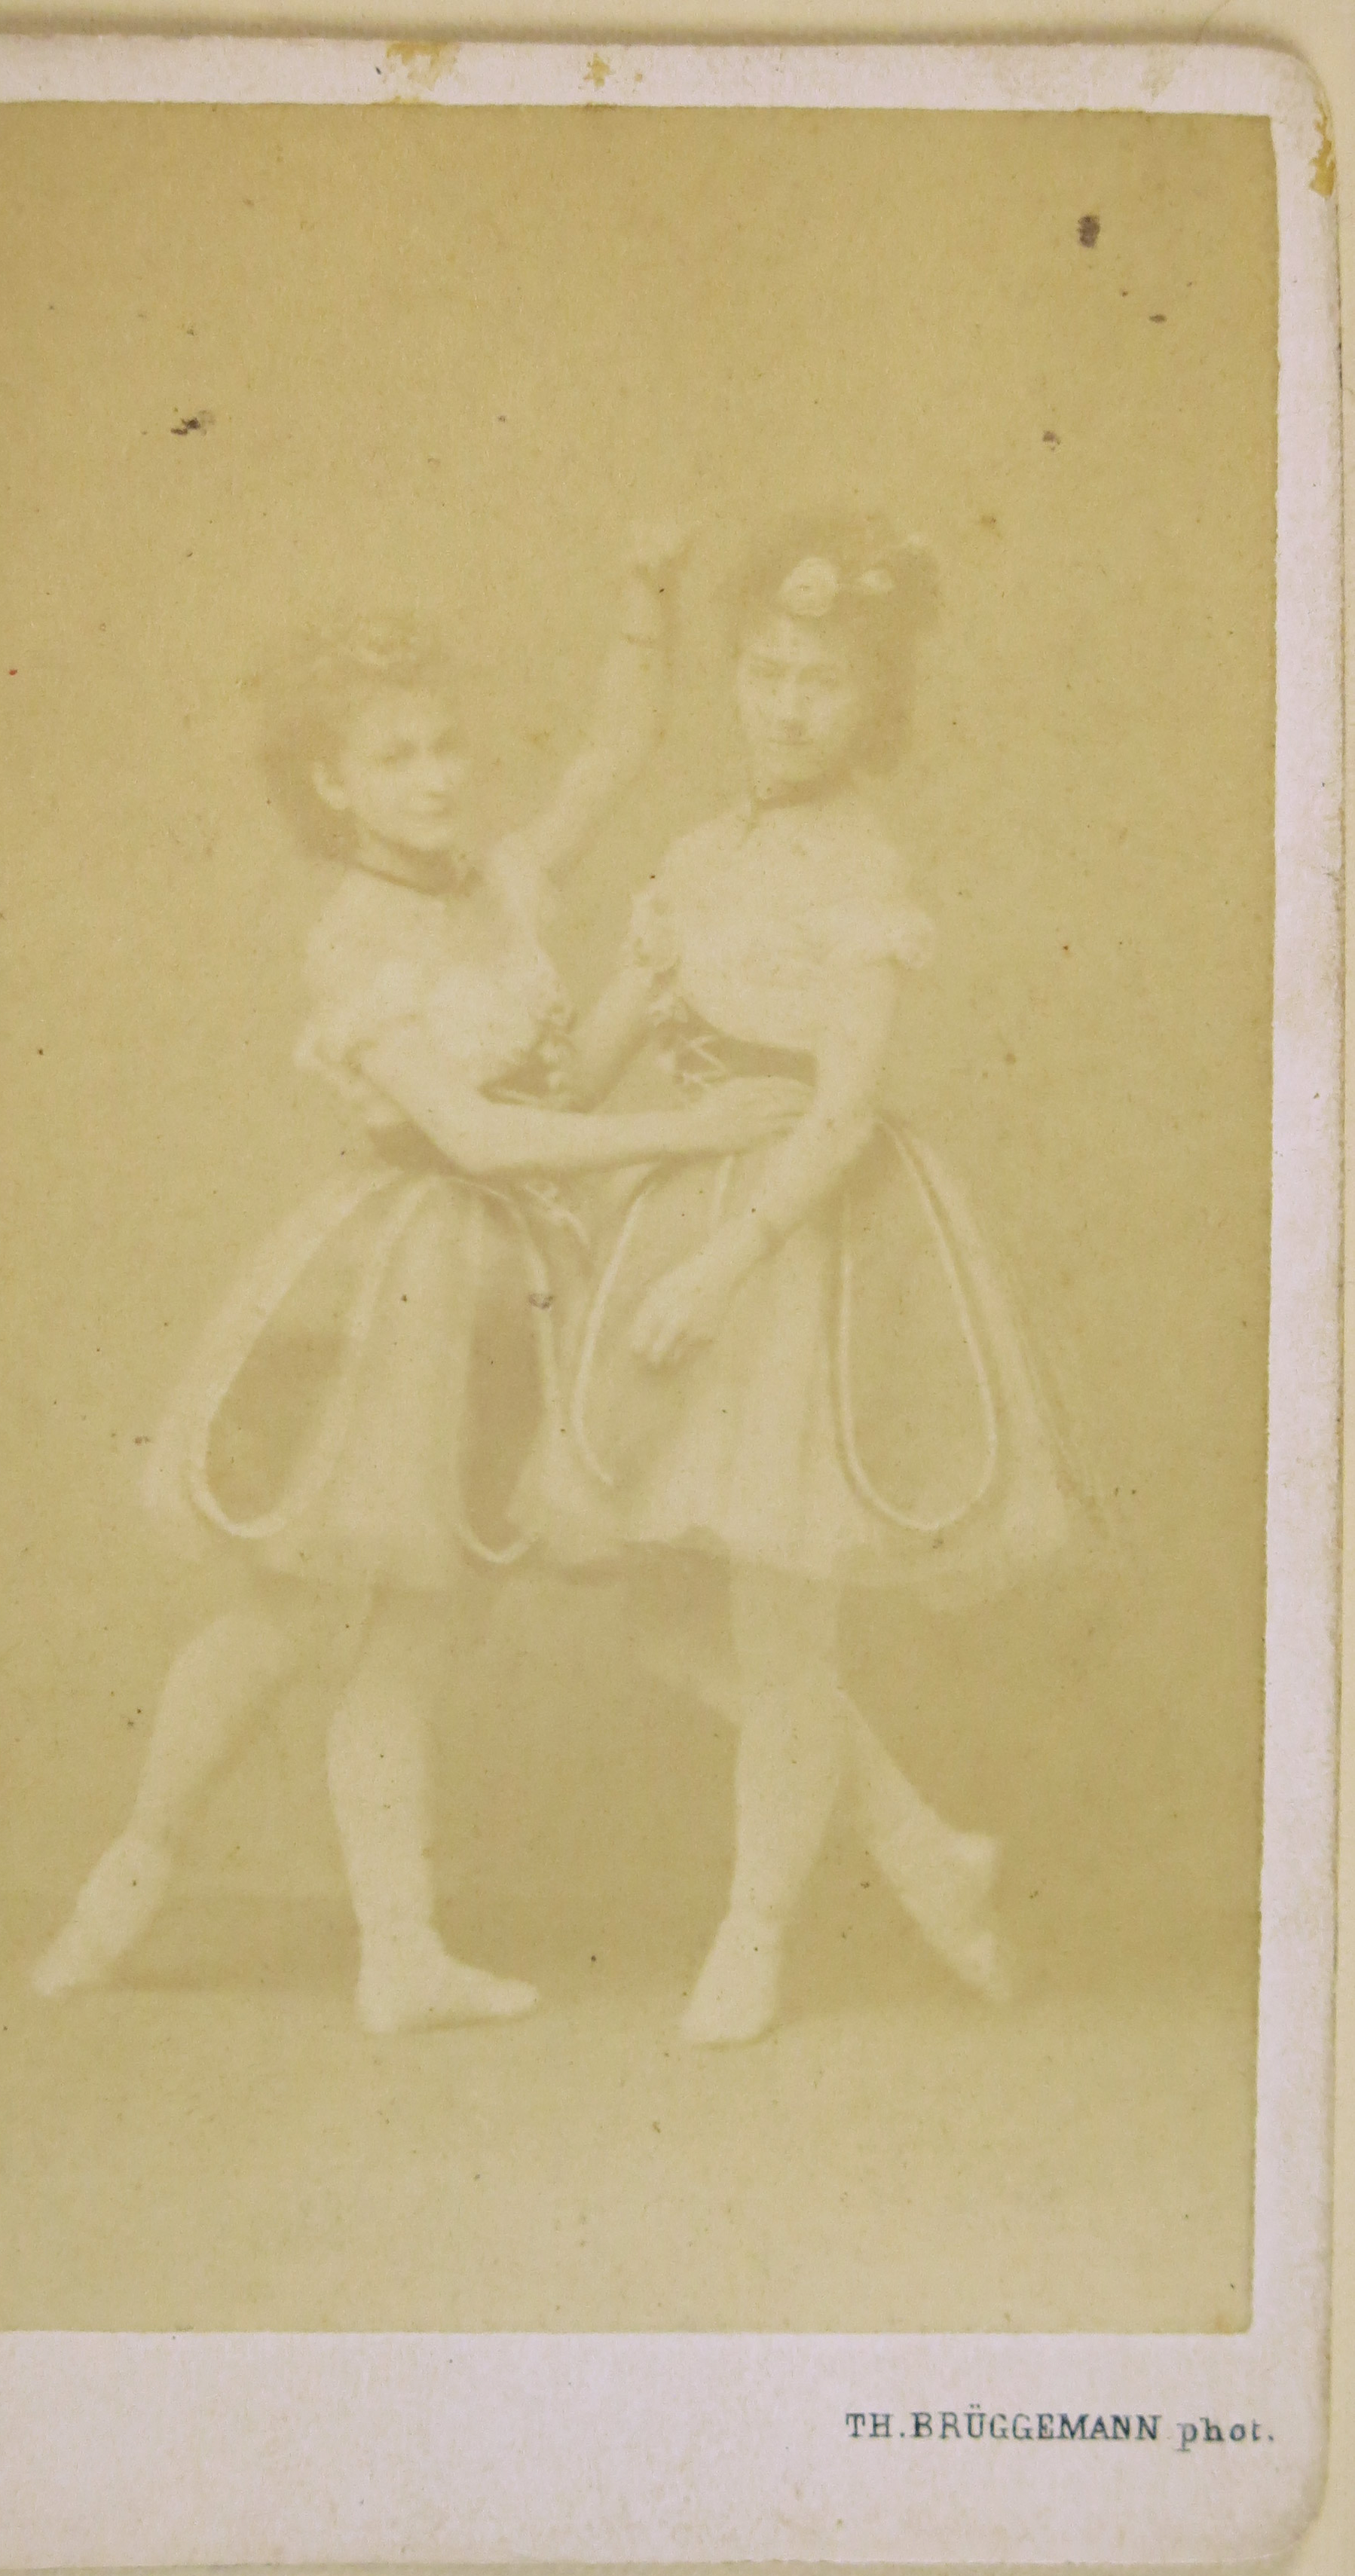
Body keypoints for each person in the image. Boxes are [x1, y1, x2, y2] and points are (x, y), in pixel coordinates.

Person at [31, 526, 806, 2034]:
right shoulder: (354, 942)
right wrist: (686, 1128)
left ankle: (398, 1952)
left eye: (446, 745)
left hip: (503, 1295)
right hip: (387, 1285)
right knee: (277, 1619)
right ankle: (129, 1875)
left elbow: (611, 756)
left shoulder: (500, 884)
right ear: (333, 784)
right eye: (395, 757)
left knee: (418, 1631)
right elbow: (479, 1134)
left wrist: (642, 610)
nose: (438, 776)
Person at [522, 515, 1080, 2045]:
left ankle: (753, 1931)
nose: (784, 703)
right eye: (764, 670)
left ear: (870, 702)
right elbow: (588, 1060)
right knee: (663, 1619)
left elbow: (841, 1110)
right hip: (670, 1218)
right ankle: (922, 1845)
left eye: (819, 681)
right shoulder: (698, 854)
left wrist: (723, 1262)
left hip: (793, 1247)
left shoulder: (859, 868)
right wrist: (483, 1012)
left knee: (780, 1626)